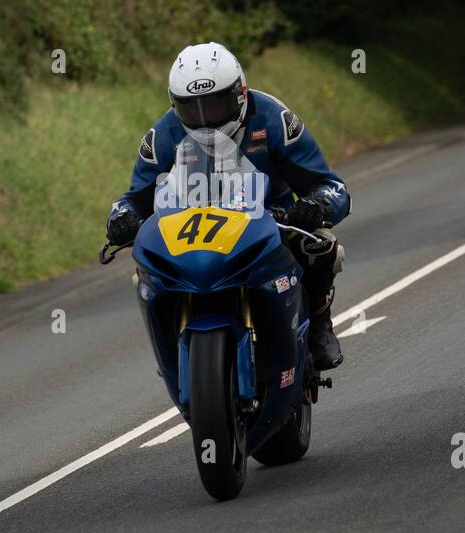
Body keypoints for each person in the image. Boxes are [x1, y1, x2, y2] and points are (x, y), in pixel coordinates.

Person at [106, 42, 350, 369]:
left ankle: (319, 324)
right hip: (191, 235)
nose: (205, 118)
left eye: (215, 104)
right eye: (193, 108)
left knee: (323, 245)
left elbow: (331, 185)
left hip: (271, 225)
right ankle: (172, 353)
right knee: (144, 276)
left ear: (240, 93)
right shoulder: (162, 136)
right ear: (175, 104)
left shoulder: (275, 120)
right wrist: (123, 218)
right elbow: (133, 199)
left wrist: (316, 205)